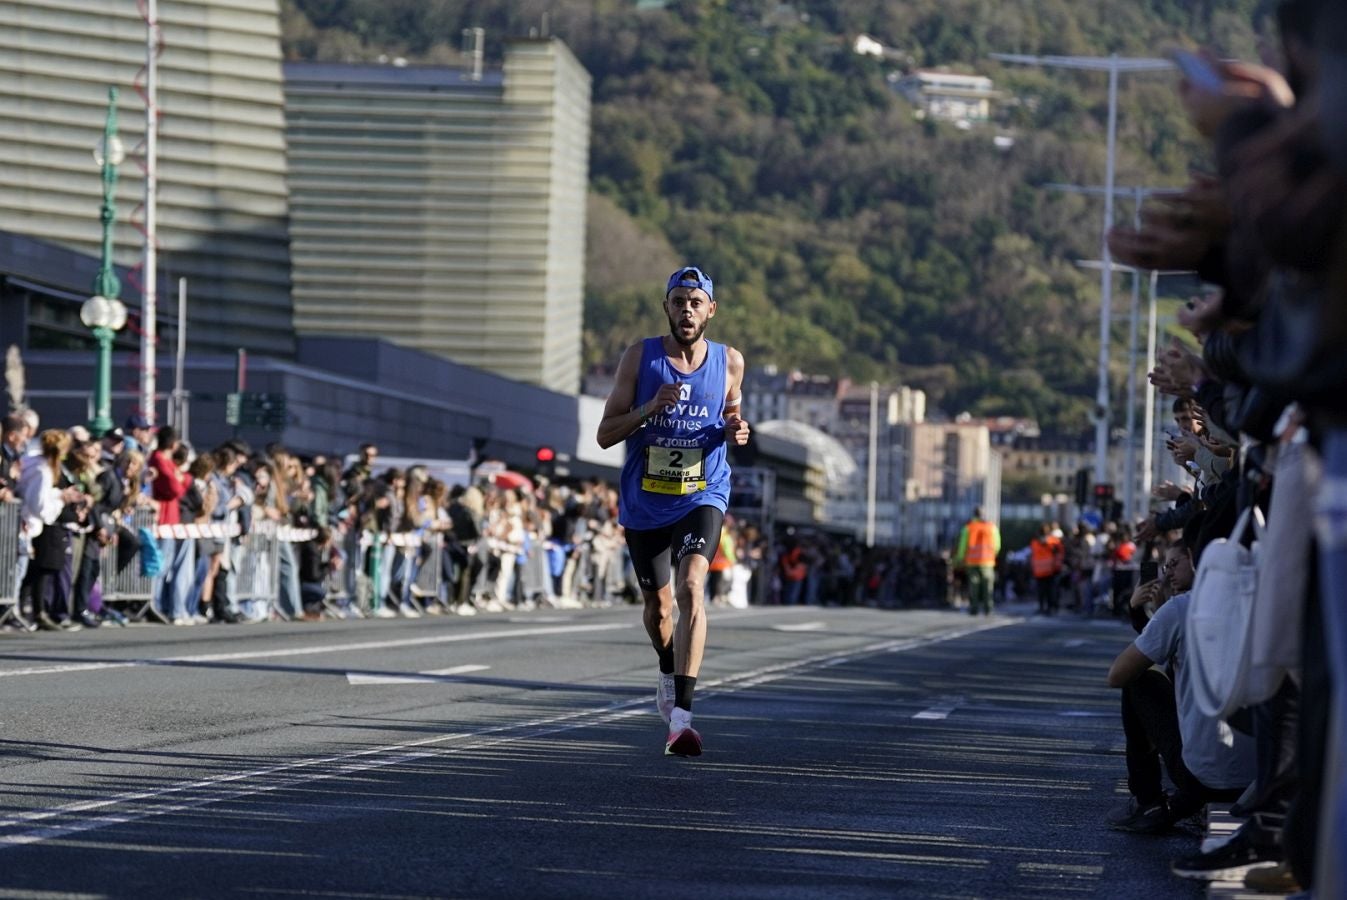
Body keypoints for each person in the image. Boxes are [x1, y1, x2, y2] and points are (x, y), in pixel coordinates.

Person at [597, 265, 749, 757]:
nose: (687, 311)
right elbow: (604, 434)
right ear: (667, 307)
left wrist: (737, 429)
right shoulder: (640, 357)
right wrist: (649, 409)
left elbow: (732, 412)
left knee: (691, 588)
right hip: (646, 500)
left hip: (702, 493)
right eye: (679, 302)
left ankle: (682, 719)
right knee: (659, 609)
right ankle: (667, 666)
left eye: (696, 303)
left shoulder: (729, 361)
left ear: (711, 310)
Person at [1106, 541, 1255, 837]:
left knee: (1141, 681)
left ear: (1197, 559)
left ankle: (1147, 802)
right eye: (1166, 566)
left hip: (1204, 776)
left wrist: (1151, 612)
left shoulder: (1182, 607)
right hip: (1261, 778)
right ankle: (1184, 804)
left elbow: (1118, 674)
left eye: (1175, 564)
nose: (1168, 573)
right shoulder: (1264, 605)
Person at [953, 506, 1000, 616]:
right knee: (987, 586)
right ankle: (988, 608)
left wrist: (960, 558)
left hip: (972, 561)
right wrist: (992, 554)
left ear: (974, 514)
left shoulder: (968, 528)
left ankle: (974, 608)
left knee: (973, 586)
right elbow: (997, 545)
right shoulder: (992, 527)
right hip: (987, 562)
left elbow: (962, 546)